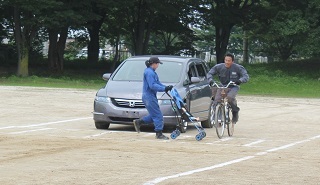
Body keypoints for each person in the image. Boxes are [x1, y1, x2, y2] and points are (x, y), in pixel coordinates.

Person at [133, 56, 173, 140]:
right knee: (158, 115)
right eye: (157, 63)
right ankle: (159, 134)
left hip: (150, 96)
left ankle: (139, 122)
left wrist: (166, 87)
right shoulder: (149, 73)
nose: (158, 65)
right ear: (153, 64)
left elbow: (157, 83)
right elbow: (152, 85)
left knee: (154, 115)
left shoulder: (151, 72)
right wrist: (164, 89)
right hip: (149, 97)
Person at [207, 53, 249, 124]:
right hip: (222, 86)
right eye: (226, 60)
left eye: (229, 61)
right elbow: (209, 73)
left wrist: (240, 81)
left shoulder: (238, 68)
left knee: (229, 97)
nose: (227, 62)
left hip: (233, 86)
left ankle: (235, 111)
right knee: (217, 100)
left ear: (233, 61)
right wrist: (210, 80)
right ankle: (219, 117)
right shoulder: (219, 67)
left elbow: (246, 76)